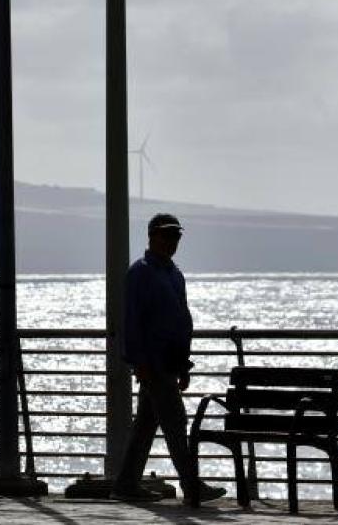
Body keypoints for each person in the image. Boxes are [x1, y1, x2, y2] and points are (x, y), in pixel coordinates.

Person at [112, 213, 225, 504]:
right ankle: (191, 485)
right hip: (153, 363)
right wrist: (139, 362)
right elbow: (132, 321)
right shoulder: (141, 272)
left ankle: (126, 482)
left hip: (170, 363)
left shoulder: (175, 274)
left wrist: (184, 364)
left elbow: (181, 319)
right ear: (151, 236)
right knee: (176, 421)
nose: (171, 241)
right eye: (166, 235)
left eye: (176, 236)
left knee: (146, 425)